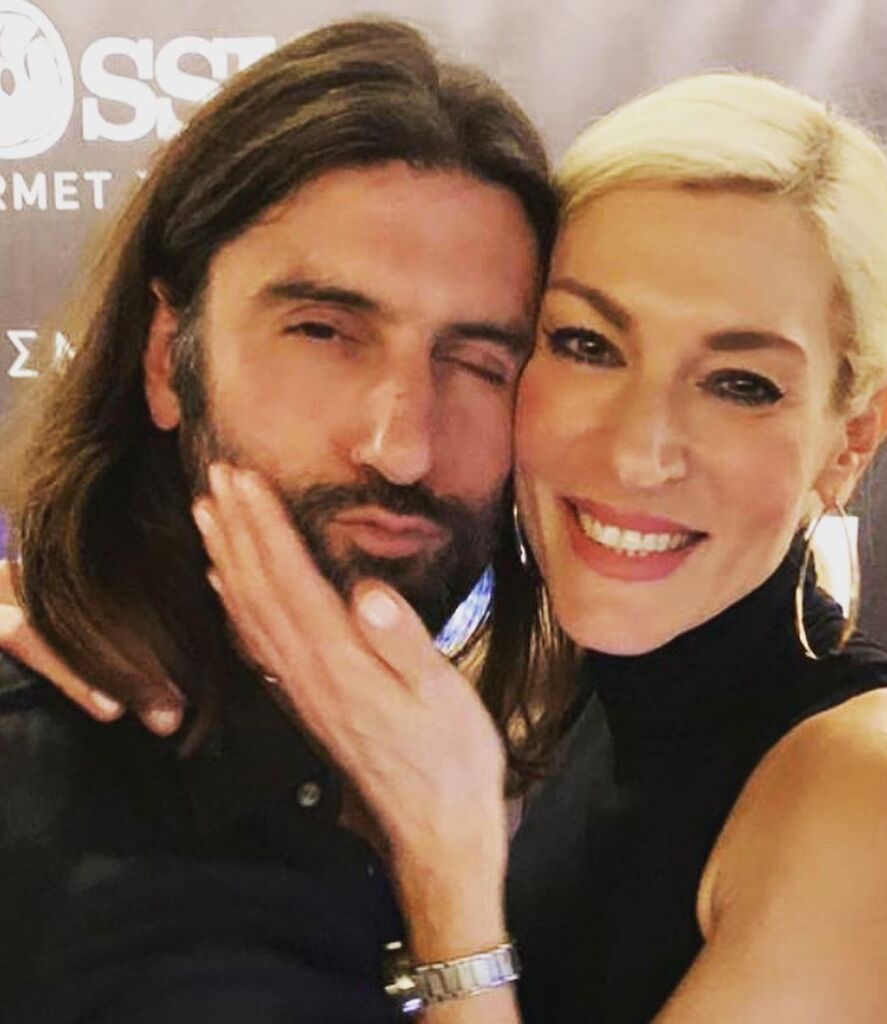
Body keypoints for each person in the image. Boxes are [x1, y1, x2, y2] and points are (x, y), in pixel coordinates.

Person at [1, 56, 887, 1024]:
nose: (637, 454)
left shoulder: (885, 792)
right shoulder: (533, 691)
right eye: (586, 344)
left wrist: (451, 892)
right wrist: (80, 600)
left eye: (741, 384)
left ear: (852, 438)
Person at [0, 16, 561, 1021]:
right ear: (167, 357)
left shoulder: (565, 748)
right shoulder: (36, 790)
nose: (402, 446)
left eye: (479, 362)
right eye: (323, 332)